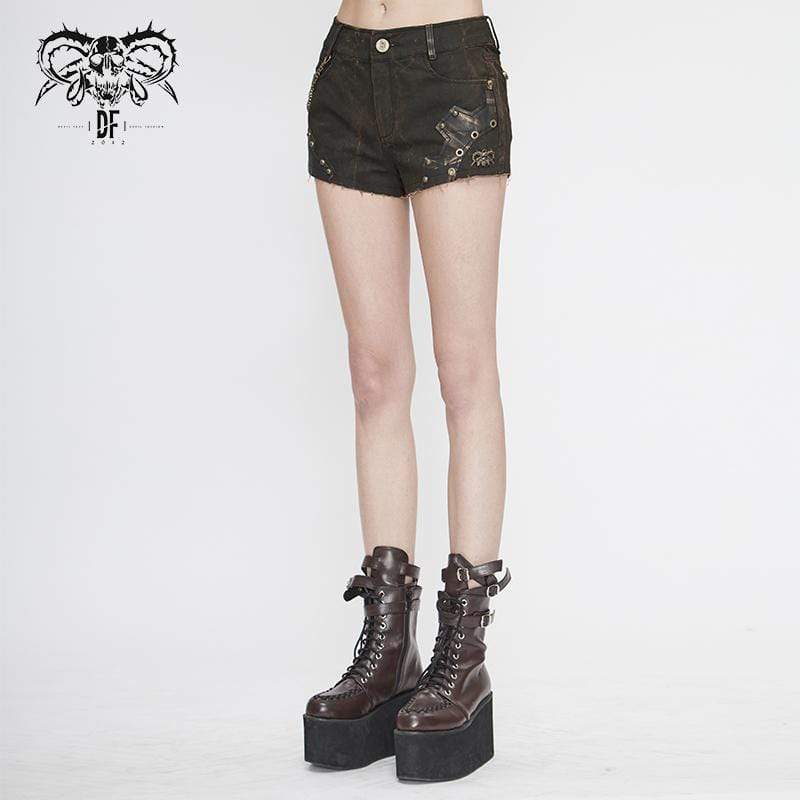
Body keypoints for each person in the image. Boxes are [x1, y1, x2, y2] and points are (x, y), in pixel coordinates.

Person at [302, 0, 512, 781]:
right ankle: (389, 649)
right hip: (346, 71)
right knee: (374, 373)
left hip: (447, 70)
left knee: (464, 369)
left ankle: (464, 657)